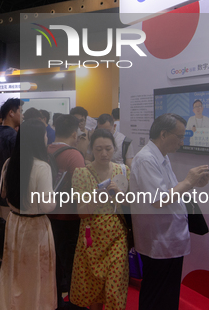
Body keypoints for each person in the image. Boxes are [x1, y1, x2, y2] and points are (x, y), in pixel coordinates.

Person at [130, 113, 209, 310]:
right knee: (157, 294)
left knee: (168, 294)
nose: (182, 142)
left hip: (168, 237)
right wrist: (188, 181)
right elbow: (159, 199)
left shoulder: (161, 157)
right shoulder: (146, 159)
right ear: (164, 134)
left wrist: (193, 184)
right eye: (180, 136)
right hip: (159, 240)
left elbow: (172, 191)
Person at [0, 119, 57, 310]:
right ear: (38, 139)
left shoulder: (9, 163)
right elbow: (47, 206)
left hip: (14, 223)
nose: (47, 137)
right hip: (35, 227)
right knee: (36, 276)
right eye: (45, 134)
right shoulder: (42, 167)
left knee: (14, 272)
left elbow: (3, 193)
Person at [69, 129, 130, 310]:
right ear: (91, 150)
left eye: (108, 149)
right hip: (91, 238)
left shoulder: (123, 170)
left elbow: (129, 204)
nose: (104, 153)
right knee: (92, 288)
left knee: (115, 288)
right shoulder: (82, 173)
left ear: (114, 149)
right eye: (98, 149)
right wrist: (96, 199)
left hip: (117, 235)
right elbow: (81, 213)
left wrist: (119, 196)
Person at [47, 114, 86, 310]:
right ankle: (74, 304)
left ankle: (54, 303)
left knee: (53, 265)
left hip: (48, 217)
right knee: (73, 267)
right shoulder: (74, 155)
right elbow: (83, 190)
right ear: (74, 132)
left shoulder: (46, 151)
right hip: (69, 218)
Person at [0, 98, 21, 283]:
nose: (21, 115)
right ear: (12, 112)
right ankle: (9, 275)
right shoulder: (14, 137)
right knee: (11, 236)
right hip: (10, 195)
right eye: (20, 111)